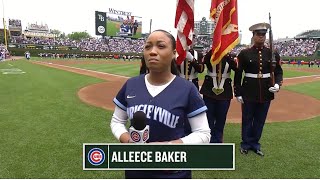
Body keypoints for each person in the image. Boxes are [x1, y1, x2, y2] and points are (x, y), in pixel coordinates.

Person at [110, 29, 211, 179]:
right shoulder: (131, 85)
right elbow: (117, 121)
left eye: (161, 46)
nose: (152, 52)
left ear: (174, 53)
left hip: (174, 172)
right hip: (136, 170)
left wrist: (168, 147)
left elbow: (204, 134)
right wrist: (128, 140)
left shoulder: (187, 89)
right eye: (148, 46)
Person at [234, 22, 283, 156]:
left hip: (266, 91)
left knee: (260, 120)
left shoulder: (272, 53)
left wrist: (278, 84)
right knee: (247, 118)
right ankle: (245, 143)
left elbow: (278, 71)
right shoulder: (244, 53)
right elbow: (238, 74)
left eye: (263, 34)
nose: (261, 37)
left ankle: (255, 144)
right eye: (259, 34)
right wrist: (237, 92)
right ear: (253, 36)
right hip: (249, 90)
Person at [199, 49, 237, 143]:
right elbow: (205, 63)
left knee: (221, 117)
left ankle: (218, 138)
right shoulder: (210, 54)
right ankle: (209, 138)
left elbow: (236, 68)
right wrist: (215, 50)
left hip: (225, 92)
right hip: (209, 91)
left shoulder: (230, 56)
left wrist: (226, 54)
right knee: (209, 116)